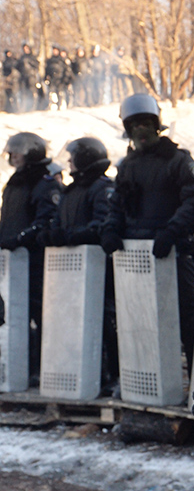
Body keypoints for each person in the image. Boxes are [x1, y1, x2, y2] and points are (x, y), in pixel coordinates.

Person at [100, 93, 194, 369]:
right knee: (140, 318)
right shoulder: (127, 166)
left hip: (172, 251)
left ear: (157, 125)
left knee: (185, 316)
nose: (140, 132)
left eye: (145, 124)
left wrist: (171, 231)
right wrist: (110, 231)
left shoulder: (179, 160)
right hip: (137, 256)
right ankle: (146, 377)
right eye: (134, 127)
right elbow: (117, 206)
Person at [37, 137, 119, 395]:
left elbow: (102, 223)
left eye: (74, 157)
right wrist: (51, 234)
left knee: (104, 321)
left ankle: (111, 374)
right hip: (70, 274)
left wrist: (73, 236)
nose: (69, 161)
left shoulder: (101, 188)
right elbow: (60, 221)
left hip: (97, 270)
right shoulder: (71, 190)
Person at [0, 132, 60, 383]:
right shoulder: (15, 182)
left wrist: (22, 238)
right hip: (12, 261)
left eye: (19, 150)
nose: (13, 155)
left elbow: (46, 219)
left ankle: (40, 367)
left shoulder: (44, 182)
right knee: (12, 314)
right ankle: (17, 365)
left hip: (35, 260)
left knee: (39, 313)